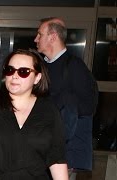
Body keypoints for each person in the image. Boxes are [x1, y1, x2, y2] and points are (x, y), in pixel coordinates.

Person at [0, 49, 68, 180]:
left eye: (23, 72)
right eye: (10, 70)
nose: (14, 76)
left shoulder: (48, 111)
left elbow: (57, 158)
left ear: (37, 78)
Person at [34, 17, 96, 179]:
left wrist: (58, 101)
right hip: (44, 149)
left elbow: (88, 107)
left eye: (40, 35)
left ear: (53, 37)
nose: (36, 39)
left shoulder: (74, 66)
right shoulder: (44, 66)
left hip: (65, 155)